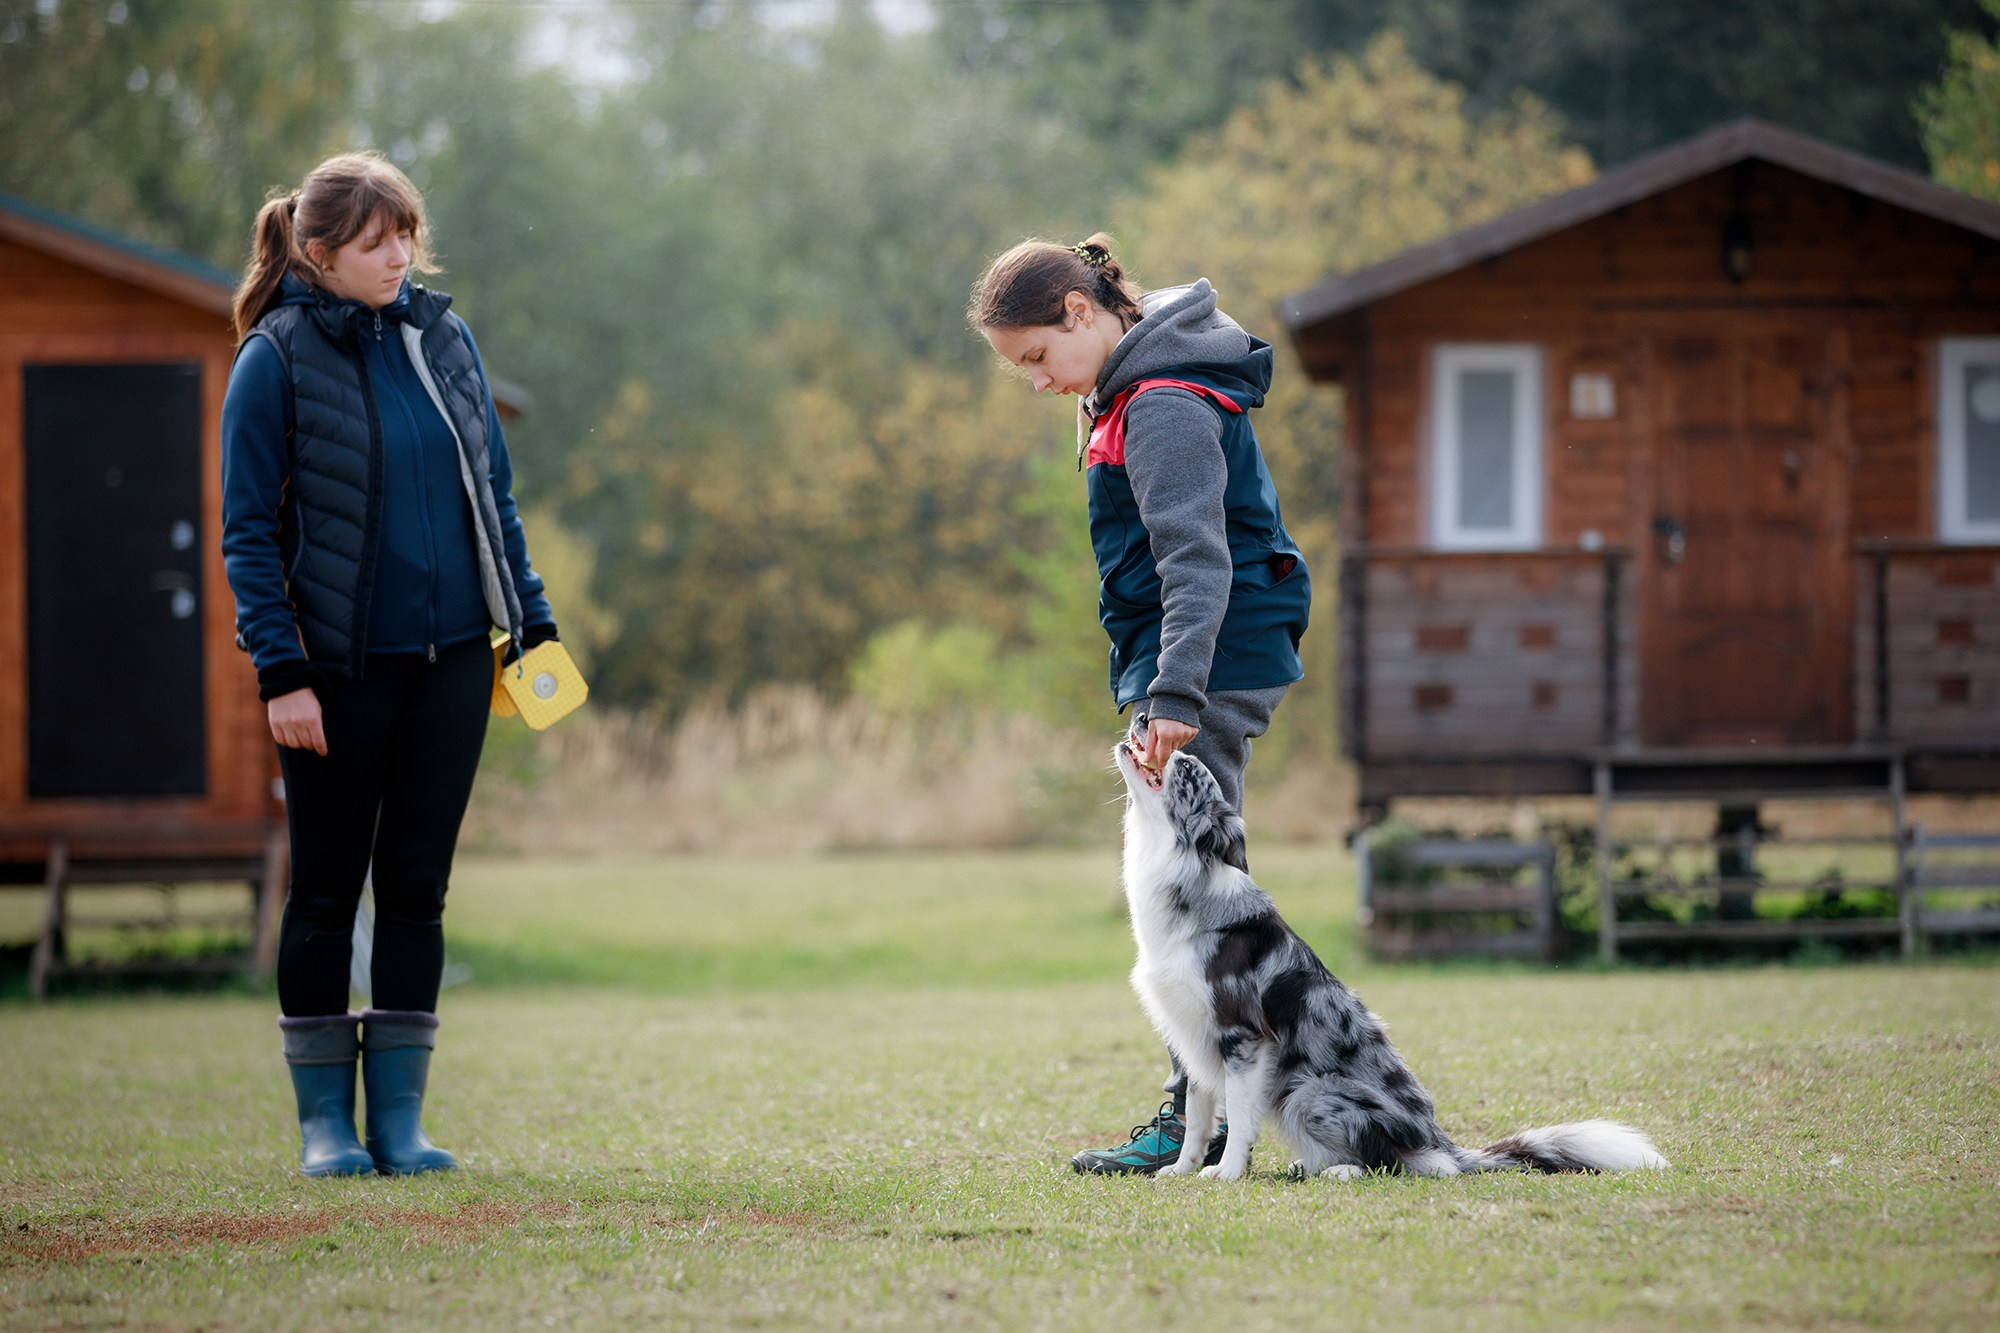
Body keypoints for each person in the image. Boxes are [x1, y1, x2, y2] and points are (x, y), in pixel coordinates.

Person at [221, 152, 558, 1176]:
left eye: (406, 234)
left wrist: (531, 627)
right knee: (325, 892)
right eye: (376, 242)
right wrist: (282, 674)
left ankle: (399, 1124)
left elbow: (492, 497)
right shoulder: (271, 361)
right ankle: (325, 1124)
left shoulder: (444, 338)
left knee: (417, 887)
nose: (399, 256)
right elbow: (245, 533)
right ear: (317, 253)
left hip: (453, 660)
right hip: (334, 673)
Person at [970, 234, 1311, 1175]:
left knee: (1195, 893)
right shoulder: (1124, 387)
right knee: (1191, 888)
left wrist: (1172, 695)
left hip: (1209, 659)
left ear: (1081, 312)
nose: (1037, 382)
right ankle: (1222, 1106)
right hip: (1185, 659)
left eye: (1037, 356)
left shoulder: (1158, 401)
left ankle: (1197, 1118)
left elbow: (1196, 561)